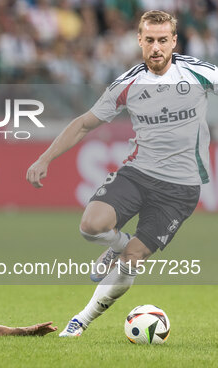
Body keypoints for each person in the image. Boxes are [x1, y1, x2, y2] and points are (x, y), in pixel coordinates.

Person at [26, 10, 216, 337]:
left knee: (133, 259)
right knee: (90, 226)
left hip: (181, 188)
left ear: (174, 41)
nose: (156, 48)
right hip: (138, 173)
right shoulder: (128, 83)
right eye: (150, 40)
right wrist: (45, 158)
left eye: (163, 40)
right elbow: (85, 122)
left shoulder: (199, 72)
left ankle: (81, 319)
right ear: (140, 41)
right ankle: (116, 244)